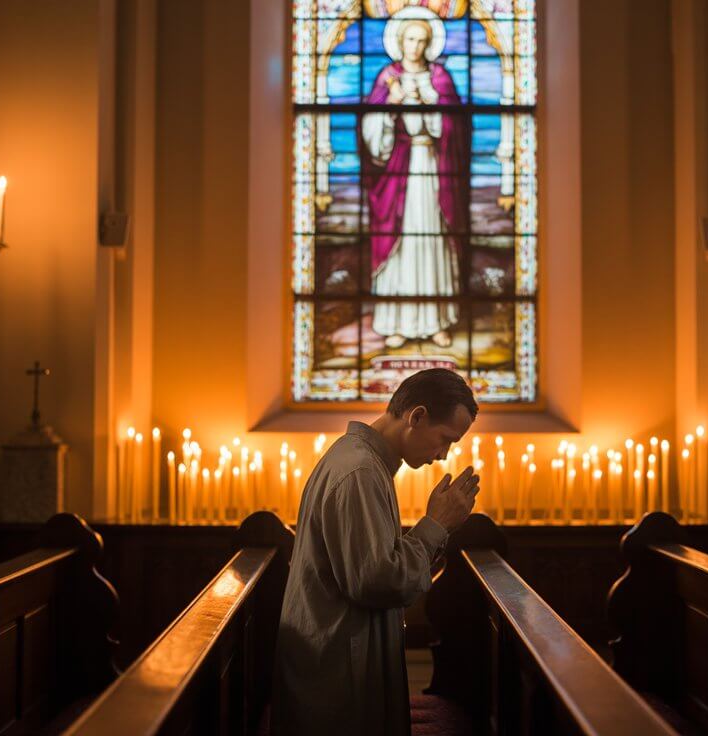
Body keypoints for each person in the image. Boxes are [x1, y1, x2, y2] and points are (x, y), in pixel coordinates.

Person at [272, 368, 481, 735]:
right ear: (416, 416)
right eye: (445, 439)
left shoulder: (366, 462)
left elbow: (374, 564)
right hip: (340, 678)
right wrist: (436, 524)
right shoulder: (360, 471)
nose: (444, 455)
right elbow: (375, 581)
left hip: (345, 663)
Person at [363, 11, 469, 350]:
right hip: (399, 170)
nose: (415, 46)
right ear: (399, 41)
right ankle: (398, 322)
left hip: (433, 170)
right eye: (410, 39)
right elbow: (371, 130)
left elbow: (456, 128)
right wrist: (390, 108)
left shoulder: (440, 79)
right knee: (403, 243)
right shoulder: (387, 78)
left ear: (429, 44)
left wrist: (433, 107)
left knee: (432, 238)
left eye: (422, 40)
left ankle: (435, 321)